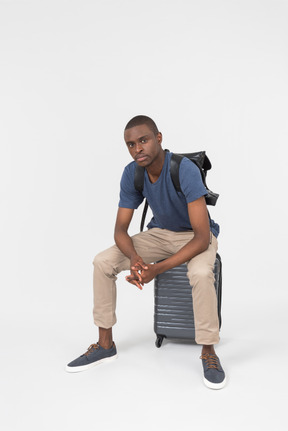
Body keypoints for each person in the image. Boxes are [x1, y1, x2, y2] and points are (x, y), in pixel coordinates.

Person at [66, 115, 226, 389]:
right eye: (130, 144)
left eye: (143, 140)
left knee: (200, 272)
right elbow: (120, 230)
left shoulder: (183, 169)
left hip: (195, 236)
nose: (137, 149)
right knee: (102, 261)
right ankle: (105, 344)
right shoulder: (132, 173)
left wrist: (157, 269)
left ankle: (208, 351)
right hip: (160, 233)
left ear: (158, 138)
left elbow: (201, 238)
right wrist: (135, 259)